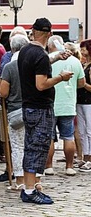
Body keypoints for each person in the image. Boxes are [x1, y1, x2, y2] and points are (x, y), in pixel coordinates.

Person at [17, 18, 73, 205]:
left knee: (30, 146)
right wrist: (60, 77)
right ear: (49, 34)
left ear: (32, 31)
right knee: (37, 148)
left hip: (28, 105)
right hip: (40, 107)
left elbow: (38, 62)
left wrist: (56, 56)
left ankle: (28, 187)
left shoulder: (26, 50)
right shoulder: (40, 56)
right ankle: (31, 190)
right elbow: (41, 84)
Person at [44, 35, 85, 176]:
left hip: (51, 103)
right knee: (68, 137)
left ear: (50, 46)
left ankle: (48, 166)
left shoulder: (48, 60)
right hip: (68, 103)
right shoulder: (75, 61)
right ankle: (69, 166)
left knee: (49, 137)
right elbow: (81, 83)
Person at [0, 34, 31, 191]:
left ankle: (20, 180)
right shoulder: (34, 65)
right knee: (32, 146)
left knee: (17, 146)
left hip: (16, 110)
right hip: (34, 109)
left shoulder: (10, 67)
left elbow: (3, 92)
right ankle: (34, 180)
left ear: (12, 48)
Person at [77, 39, 91, 171]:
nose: (82, 51)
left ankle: (90, 157)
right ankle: (85, 156)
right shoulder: (84, 65)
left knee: (89, 130)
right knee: (82, 131)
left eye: (84, 49)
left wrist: (83, 84)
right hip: (80, 101)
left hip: (89, 102)